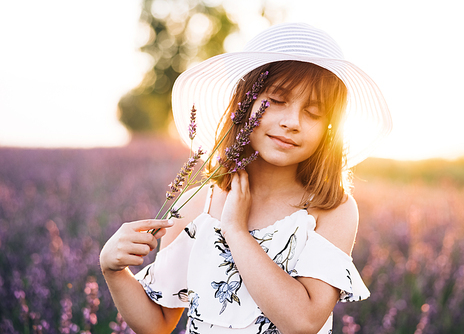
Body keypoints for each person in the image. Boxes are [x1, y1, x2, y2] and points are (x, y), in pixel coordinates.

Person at [99, 23, 392, 334]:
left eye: (314, 112)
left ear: (330, 128)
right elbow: (157, 324)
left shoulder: (330, 209)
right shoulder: (199, 203)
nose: (292, 122)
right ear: (246, 101)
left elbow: (303, 322)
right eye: (277, 100)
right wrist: (113, 271)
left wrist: (236, 231)